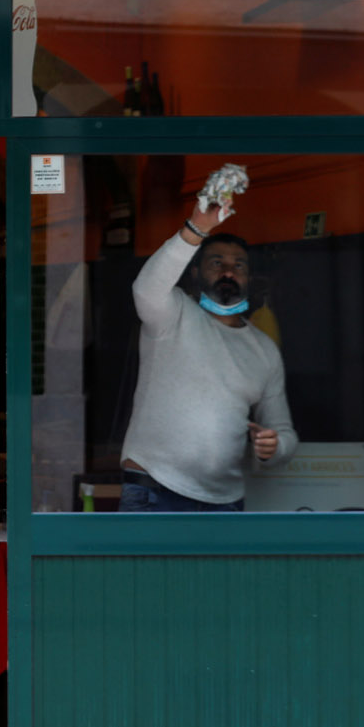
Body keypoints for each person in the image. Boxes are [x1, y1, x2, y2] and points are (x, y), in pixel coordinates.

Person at [118, 197, 296, 511]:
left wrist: (275, 447)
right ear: (195, 273)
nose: (228, 271)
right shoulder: (173, 313)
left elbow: (283, 432)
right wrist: (196, 228)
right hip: (155, 490)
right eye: (216, 263)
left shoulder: (264, 349)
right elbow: (145, 288)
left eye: (238, 265)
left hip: (225, 502)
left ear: (249, 278)